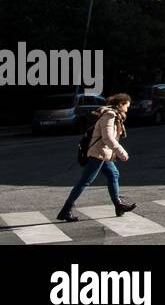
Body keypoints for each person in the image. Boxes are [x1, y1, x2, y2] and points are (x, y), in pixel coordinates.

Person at [56, 92, 136, 222]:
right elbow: (108, 137)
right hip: (98, 153)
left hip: (103, 153)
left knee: (113, 174)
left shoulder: (114, 115)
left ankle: (118, 205)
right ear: (121, 104)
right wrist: (121, 152)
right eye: (127, 105)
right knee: (85, 181)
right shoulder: (110, 115)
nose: (128, 108)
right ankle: (66, 209)